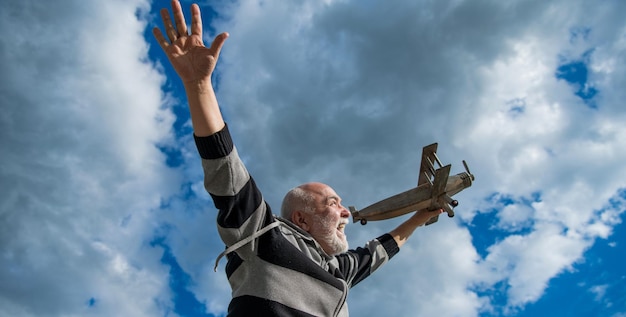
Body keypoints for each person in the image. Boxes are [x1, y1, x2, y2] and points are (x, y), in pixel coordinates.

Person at [153, 1, 443, 316]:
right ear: (301, 219)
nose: (345, 211)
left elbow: (378, 251)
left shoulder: (337, 270)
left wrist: (419, 217)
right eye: (332, 203)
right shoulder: (263, 236)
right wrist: (199, 86)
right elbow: (227, 173)